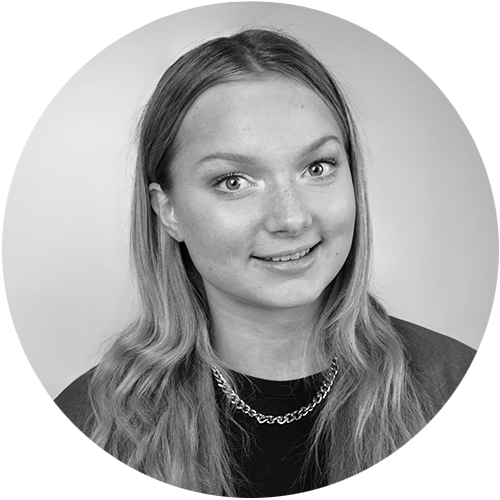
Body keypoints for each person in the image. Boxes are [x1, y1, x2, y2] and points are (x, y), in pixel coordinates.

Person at [55, 28, 475, 497]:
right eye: (234, 181)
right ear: (168, 210)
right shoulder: (87, 428)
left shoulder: (460, 388)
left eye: (317, 167)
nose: (292, 218)